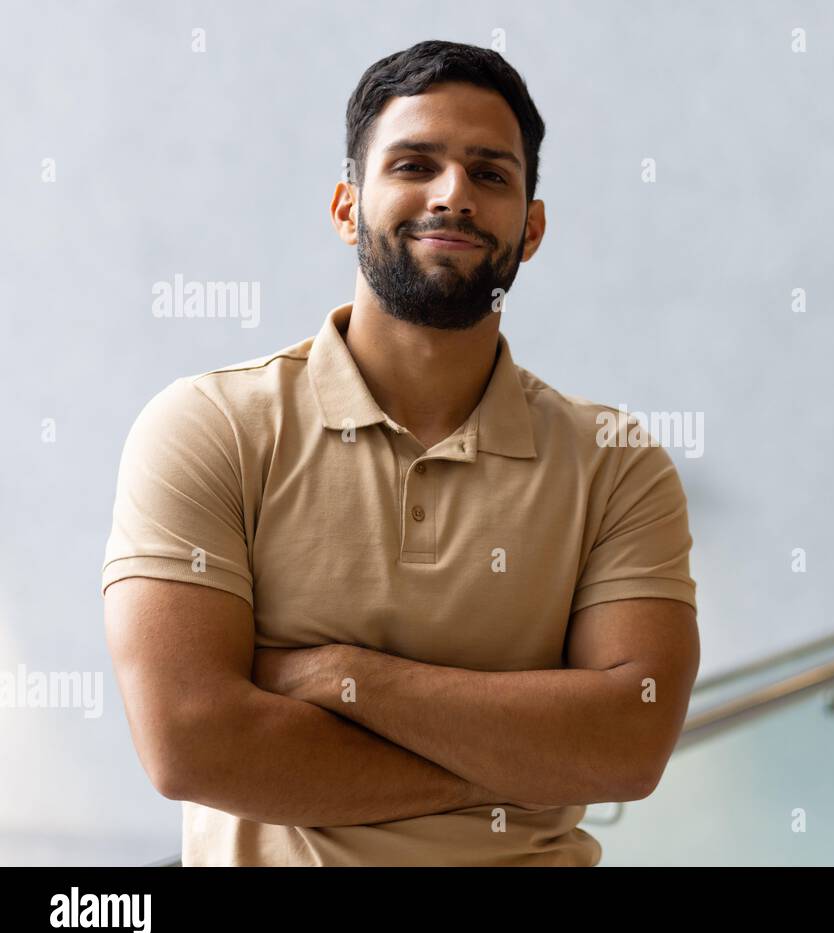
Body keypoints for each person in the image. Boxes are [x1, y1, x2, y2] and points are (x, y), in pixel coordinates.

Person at [101, 39, 699, 866]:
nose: (453, 193)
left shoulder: (616, 460)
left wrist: (341, 676)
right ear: (348, 206)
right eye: (415, 164)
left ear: (530, 229)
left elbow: (630, 740)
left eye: (490, 173)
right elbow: (191, 744)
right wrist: (527, 762)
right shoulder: (209, 426)